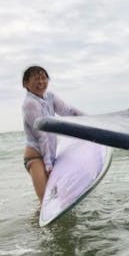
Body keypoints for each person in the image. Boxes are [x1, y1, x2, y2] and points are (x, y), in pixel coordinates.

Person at [21, 66, 84, 204]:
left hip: (49, 155)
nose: (41, 82)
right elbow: (41, 135)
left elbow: (68, 111)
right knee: (46, 202)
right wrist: (48, 164)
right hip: (36, 157)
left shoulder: (50, 97)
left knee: (58, 200)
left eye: (44, 78)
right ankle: (37, 224)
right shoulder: (30, 104)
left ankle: (34, 224)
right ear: (25, 84)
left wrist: (89, 120)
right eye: (36, 79)